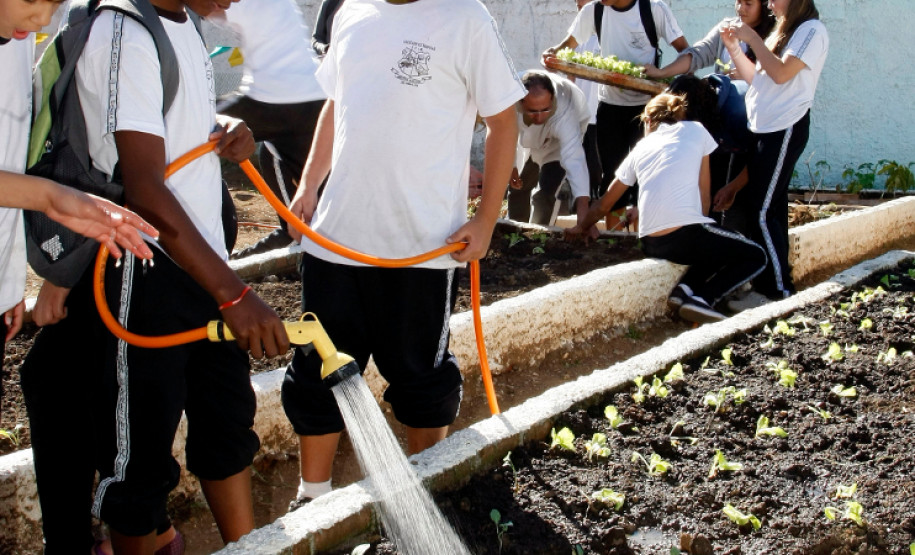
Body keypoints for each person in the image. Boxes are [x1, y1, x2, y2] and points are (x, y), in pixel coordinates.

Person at [21, 0, 291, 553]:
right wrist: (233, 293)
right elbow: (144, 188)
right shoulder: (124, 34)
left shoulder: (182, 23)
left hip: (202, 257)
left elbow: (164, 125)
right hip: (144, 268)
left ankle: (247, 547)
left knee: (226, 420)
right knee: (138, 452)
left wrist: (219, 129)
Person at [282, 0, 523, 508]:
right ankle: (312, 497)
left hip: (422, 249)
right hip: (334, 240)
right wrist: (309, 183)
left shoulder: (466, 18)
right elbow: (335, 103)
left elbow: (504, 121)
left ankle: (424, 489)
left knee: (420, 377)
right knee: (316, 372)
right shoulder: (350, 12)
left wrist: (486, 220)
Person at [1, 0, 159, 416]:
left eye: (53, 3)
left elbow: (11, 153)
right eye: (32, 1)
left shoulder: (15, 40)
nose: (43, 19)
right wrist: (54, 197)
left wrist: (7, 280)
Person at [565, 93, 767, 324]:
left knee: (713, 245)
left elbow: (604, 204)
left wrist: (582, 226)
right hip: (685, 235)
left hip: (651, 242)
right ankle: (703, 299)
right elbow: (704, 195)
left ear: (648, 121)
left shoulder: (641, 147)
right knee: (756, 255)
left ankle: (684, 292)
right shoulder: (697, 130)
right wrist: (702, 227)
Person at [720, 0, 828, 306]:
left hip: (785, 126)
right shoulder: (785, 31)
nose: (769, 2)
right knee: (773, 209)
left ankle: (777, 291)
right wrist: (734, 47)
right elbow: (760, 80)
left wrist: (751, 38)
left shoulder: (811, 30)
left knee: (761, 211)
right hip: (765, 128)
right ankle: (776, 286)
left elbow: (781, 74)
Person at [543, 0, 689, 217]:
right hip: (609, 107)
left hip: (648, 110)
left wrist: (662, 73)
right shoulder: (594, 10)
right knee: (611, 177)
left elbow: (686, 51)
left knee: (646, 176)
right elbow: (568, 45)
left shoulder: (653, 9)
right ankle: (616, 239)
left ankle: (644, 237)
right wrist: (552, 54)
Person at [211, 0, 328, 259]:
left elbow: (210, 12)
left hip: (272, 97)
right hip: (315, 95)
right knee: (279, 158)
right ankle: (289, 230)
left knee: (199, 126)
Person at [507, 70, 593, 231]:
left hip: (556, 145)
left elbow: (575, 160)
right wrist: (511, 167)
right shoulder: (508, 97)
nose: (540, 117)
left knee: (546, 192)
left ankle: (539, 235)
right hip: (527, 142)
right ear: (521, 102)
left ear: (552, 99)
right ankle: (514, 233)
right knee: (518, 186)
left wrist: (583, 216)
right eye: (533, 111)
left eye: (545, 109)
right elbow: (503, 137)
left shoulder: (566, 109)